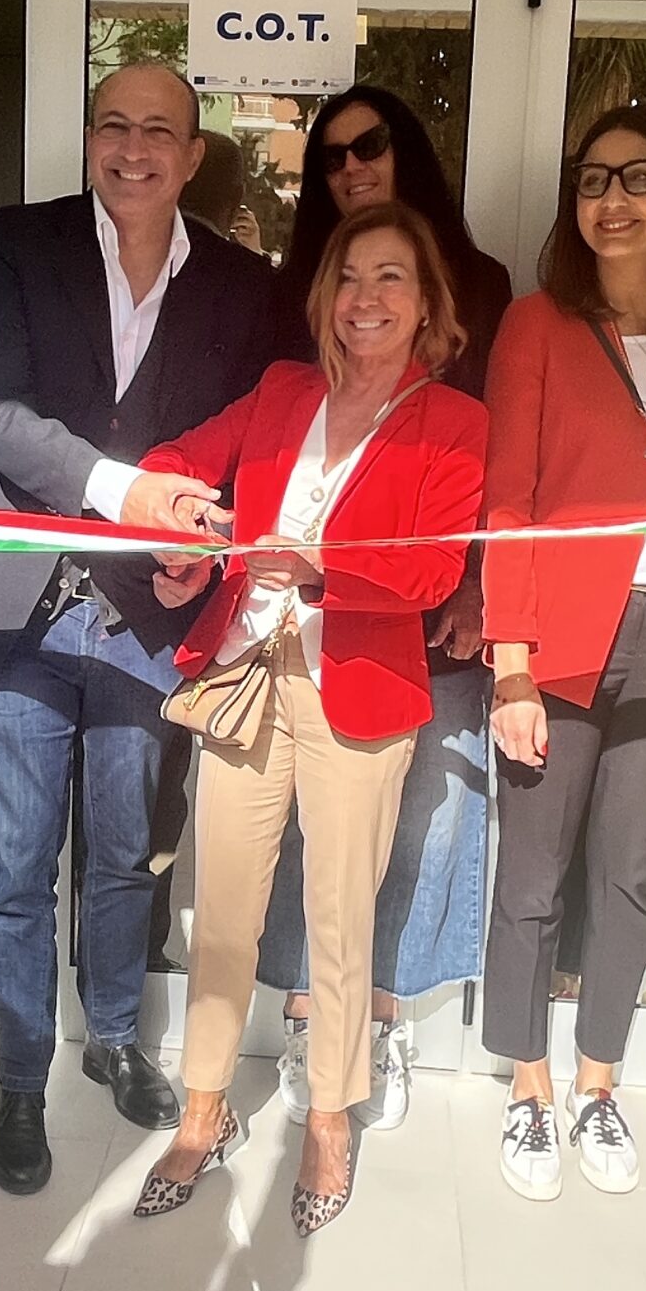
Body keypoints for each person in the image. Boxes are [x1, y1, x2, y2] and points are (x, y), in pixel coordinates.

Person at [0, 61, 287, 1196]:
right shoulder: (14, 243)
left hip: (147, 613)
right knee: (18, 866)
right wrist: (129, 492)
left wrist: (202, 537)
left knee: (126, 852)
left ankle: (114, 1036)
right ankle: (20, 1079)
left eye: (158, 131)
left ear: (192, 155)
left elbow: (249, 438)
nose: (134, 149)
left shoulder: (243, 283)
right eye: (114, 126)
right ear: (89, 140)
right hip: (20, 606)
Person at [132, 202, 486, 1233]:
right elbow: (176, 461)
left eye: (390, 278)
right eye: (349, 277)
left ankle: (330, 1117)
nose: (365, 299)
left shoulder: (454, 421)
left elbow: (431, 573)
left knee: (339, 920)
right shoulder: (285, 390)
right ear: (325, 296)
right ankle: (204, 1108)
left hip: (360, 690)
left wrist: (319, 568)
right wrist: (184, 530)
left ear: (427, 303)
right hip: (247, 673)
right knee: (221, 909)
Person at [481, 103, 646, 1202]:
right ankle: (526, 1087)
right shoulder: (537, 323)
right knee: (533, 876)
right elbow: (508, 500)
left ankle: (599, 1083)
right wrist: (510, 665)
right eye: (593, 180)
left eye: (640, 177)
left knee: (631, 872)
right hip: (559, 632)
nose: (614, 200)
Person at [258, 84, 518, 1128]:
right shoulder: (295, 291)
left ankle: (380, 1014)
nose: (351, 166)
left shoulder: (483, 285)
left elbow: (500, 448)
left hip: (432, 605)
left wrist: (476, 580)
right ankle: (305, 1012)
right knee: (300, 830)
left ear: (407, 150)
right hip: (302, 620)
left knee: (420, 824)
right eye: (330, 156)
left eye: (369, 145)